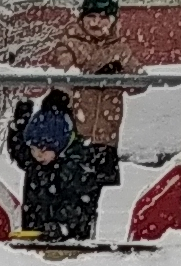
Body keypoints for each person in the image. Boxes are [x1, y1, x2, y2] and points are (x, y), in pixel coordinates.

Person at [44, 0, 141, 205]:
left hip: (105, 138)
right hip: (75, 136)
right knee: (68, 195)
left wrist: (123, 72)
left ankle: (86, 235)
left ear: (113, 20)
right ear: (82, 18)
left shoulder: (121, 49)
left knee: (92, 199)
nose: (97, 23)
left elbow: (139, 84)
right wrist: (97, 71)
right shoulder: (70, 43)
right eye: (91, 17)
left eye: (103, 17)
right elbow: (63, 72)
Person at [6, 92, 109, 243]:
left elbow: (78, 204)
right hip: (36, 233)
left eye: (43, 150)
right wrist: (21, 119)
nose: (38, 155)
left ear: (59, 145)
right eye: (34, 149)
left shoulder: (76, 166)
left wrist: (61, 226)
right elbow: (19, 150)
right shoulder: (37, 162)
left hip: (68, 242)